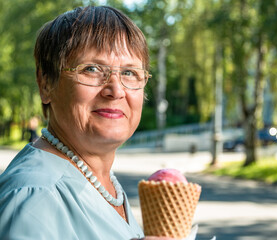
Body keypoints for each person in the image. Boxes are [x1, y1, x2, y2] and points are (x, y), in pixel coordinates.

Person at [0, 6, 178, 240]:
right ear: (46, 84)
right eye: (91, 69)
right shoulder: (36, 195)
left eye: (129, 73)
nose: (116, 90)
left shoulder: (99, 180)